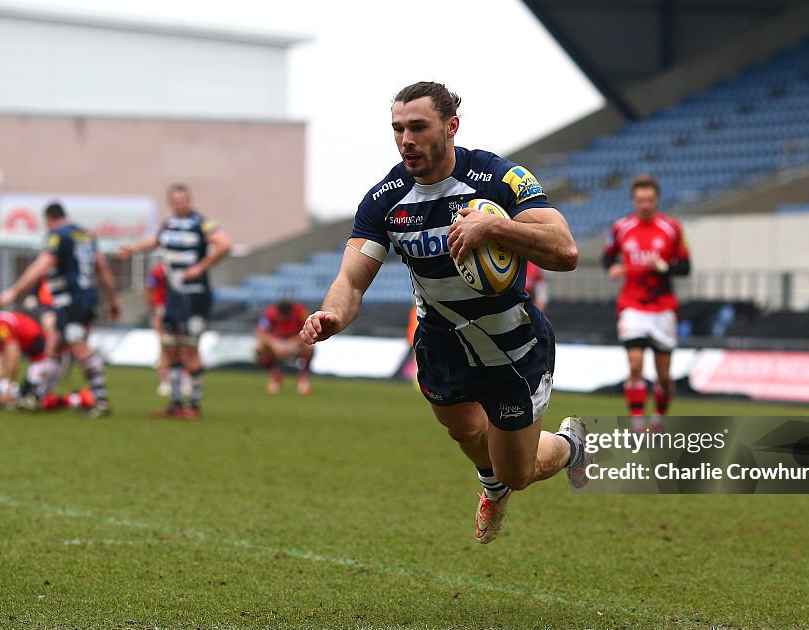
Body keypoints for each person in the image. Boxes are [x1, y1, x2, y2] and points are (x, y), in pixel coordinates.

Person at [300, 81, 587, 545]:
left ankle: (572, 446)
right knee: (466, 431)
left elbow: (565, 250)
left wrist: (494, 224)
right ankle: (489, 484)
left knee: (517, 471)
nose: (405, 140)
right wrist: (331, 315)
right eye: (398, 129)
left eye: (418, 127)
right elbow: (351, 280)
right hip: (441, 344)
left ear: (451, 127)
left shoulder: (499, 179)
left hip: (510, 346)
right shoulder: (384, 200)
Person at [118, 183, 231, 419]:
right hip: (174, 294)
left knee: (191, 347)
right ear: (171, 202)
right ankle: (177, 403)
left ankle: (195, 405)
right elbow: (155, 241)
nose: (181, 203)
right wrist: (133, 249)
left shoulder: (201, 222)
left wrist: (201, 267)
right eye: (177, 200)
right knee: (170, 346)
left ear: (190, 200)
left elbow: (224, 244)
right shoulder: (168, 224)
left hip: (195, 293)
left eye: (185, 199)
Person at [0, 202, 119, 417]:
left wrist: (14, 292)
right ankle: (36, 396)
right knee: (54, 345)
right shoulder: (86, 235)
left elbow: (41, 266)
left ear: (49, 219)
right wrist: (112, 299)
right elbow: (102, 266)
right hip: (84, 298)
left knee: (79, 348)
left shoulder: (57, 236)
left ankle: (100, 400)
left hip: (70, 300)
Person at [603, 174, 691, 430]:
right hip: (632, 305)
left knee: (663, 376)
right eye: (640, 200)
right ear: (634, 200)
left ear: (657, 200)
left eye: (649, 200)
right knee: (635, 363)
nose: (645, 205)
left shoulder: (671, 228)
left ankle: (660, 418)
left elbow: (685, 267)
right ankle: (638, 422)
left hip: (662, 307)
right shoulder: (621, 228)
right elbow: (607, 258)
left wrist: (663, 266)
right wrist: (613, 268)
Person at [0, 282, 94, 412]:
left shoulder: (2, 325)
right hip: (43, 360)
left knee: (28, 402)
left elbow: (13, 357)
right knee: (26, 399)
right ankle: (73, 398)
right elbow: (0, 360)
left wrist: (8, 390)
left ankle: (79, 398)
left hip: (49, 359)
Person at [254, 298, 313, 394]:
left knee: (310, 347)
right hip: (277, 342)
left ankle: (302, 376)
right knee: (259, 348)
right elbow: (260, 331)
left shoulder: (301, 312)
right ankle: (276, 374)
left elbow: (309, 330)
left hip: (296, 342)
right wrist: (274, 343)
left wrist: (294, 342)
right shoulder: (270, 313)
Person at [144, 261, 172, 396]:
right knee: (164, 346)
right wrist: (153, 308)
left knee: (181, 346)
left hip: (177, 310)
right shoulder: (159, 269)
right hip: (162, 310)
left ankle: (181, 379)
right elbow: (148, 287)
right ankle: (165, 380)